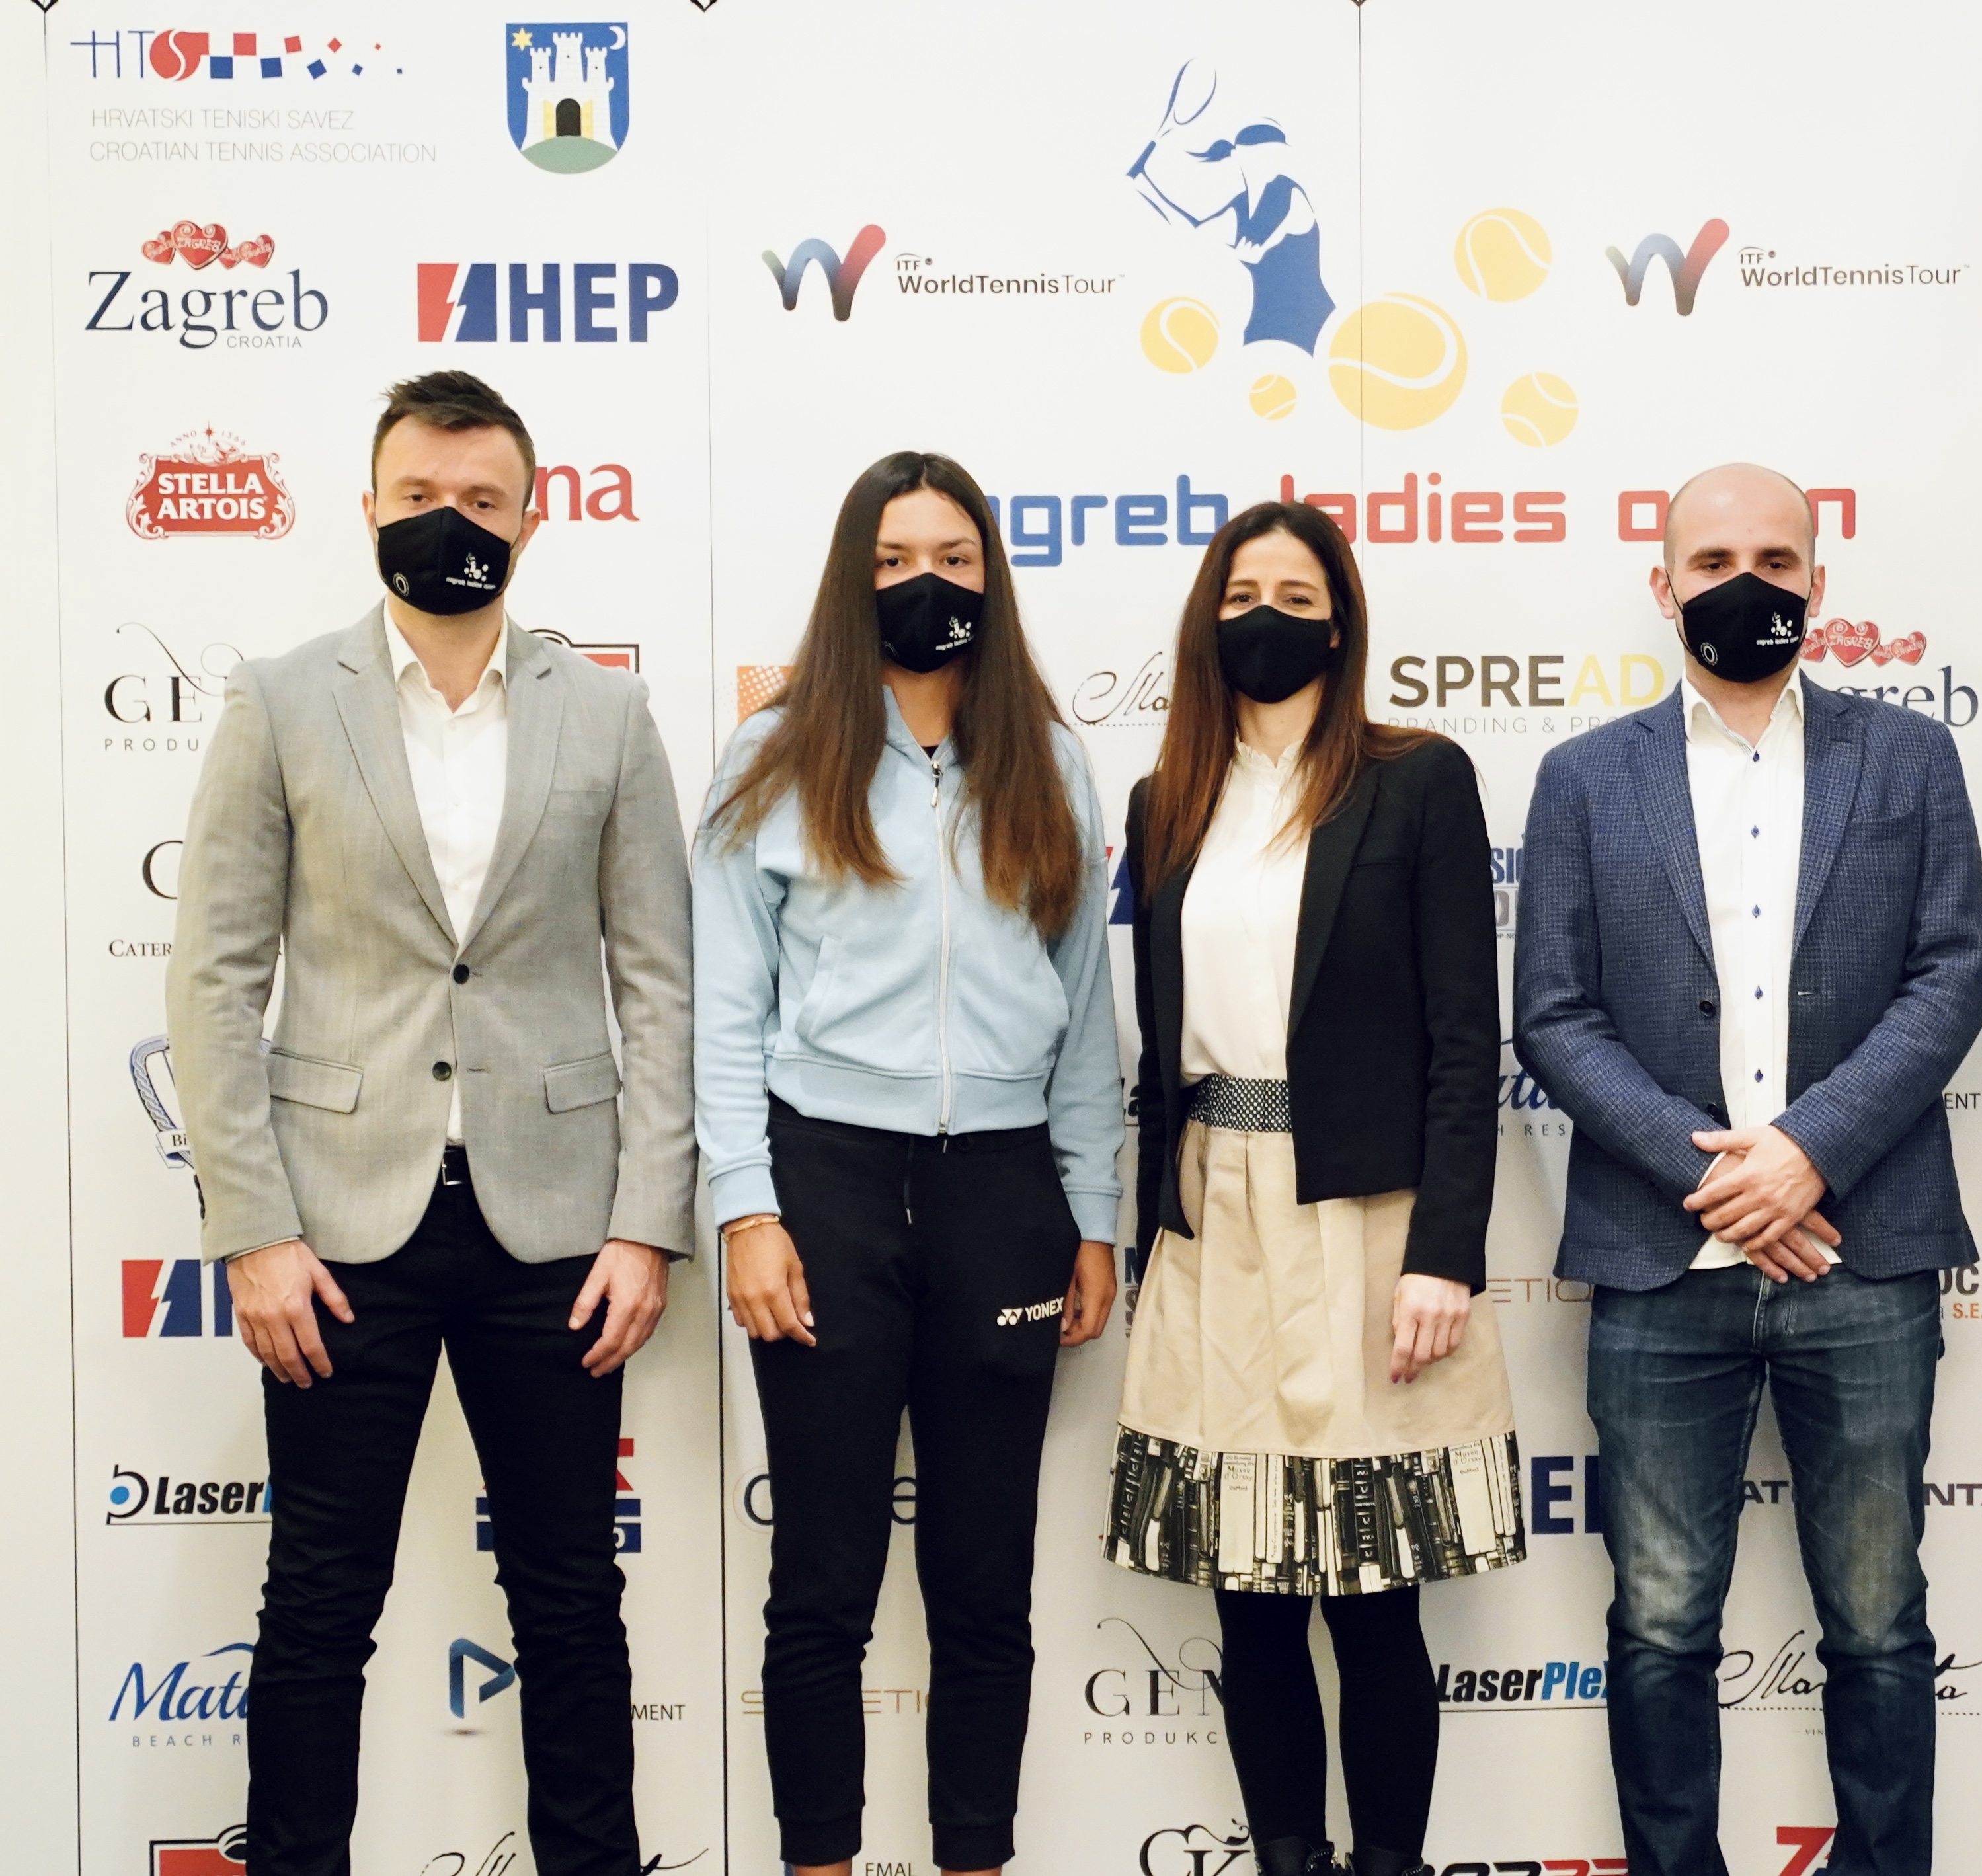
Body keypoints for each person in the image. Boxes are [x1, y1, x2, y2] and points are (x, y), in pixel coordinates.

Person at [165, 370, 694, 1876]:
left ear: (531, 518)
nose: (447, 522)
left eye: (479, 500)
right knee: (319, 1604)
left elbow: (661, 982)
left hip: (559, 1229)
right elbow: (213, 982)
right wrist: (254, 1232)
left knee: (571, 1602)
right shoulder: (279, 700)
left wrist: (647, 1223)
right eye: (418, 497)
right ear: (369, 508)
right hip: (335, 1233)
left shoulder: (609, 712)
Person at [1513, 464, 1982, 1876]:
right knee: (1660, 1623)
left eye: (1775, 560)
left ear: (1818, 585)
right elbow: (1553, 1014)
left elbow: (1950, 975)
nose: (1746, 584)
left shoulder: (1908, 759)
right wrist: (1722, 1176)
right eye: (1713, 560)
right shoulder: (1583, 777)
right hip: (1662, 1260)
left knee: (1877, 1622)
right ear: (1662, 586)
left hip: (1864, 1248)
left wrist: (1806, 1154)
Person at [697, 451, 1121, 1876]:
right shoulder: (774, 754)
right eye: (890, 562)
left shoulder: (1048, 759)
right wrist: (747, 1210)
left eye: (950, 559)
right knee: (821, 1579)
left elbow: (1084, 1014)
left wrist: (1093, 1212)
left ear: (988, 576)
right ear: (849, 579)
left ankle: (974, 1857)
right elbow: (724, 1011)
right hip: (825, 1188)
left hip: (1003, 1194)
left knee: (985, 1586)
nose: (922, 584)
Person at [1105, 500, 1521, 1876]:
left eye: (1296, 594)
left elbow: (1465, 1039)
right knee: (1251, 1597)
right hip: (1213, 1215)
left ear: (1338, 625)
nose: (1266, 616)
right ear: (1207, 617)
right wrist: (1147, 1240)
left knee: (1373, 1592)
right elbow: (1157, 1050)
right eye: (1242, 593)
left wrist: (1444, 1252)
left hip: (1367, 1221)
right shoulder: (1164, 801)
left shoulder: (1417, 779)